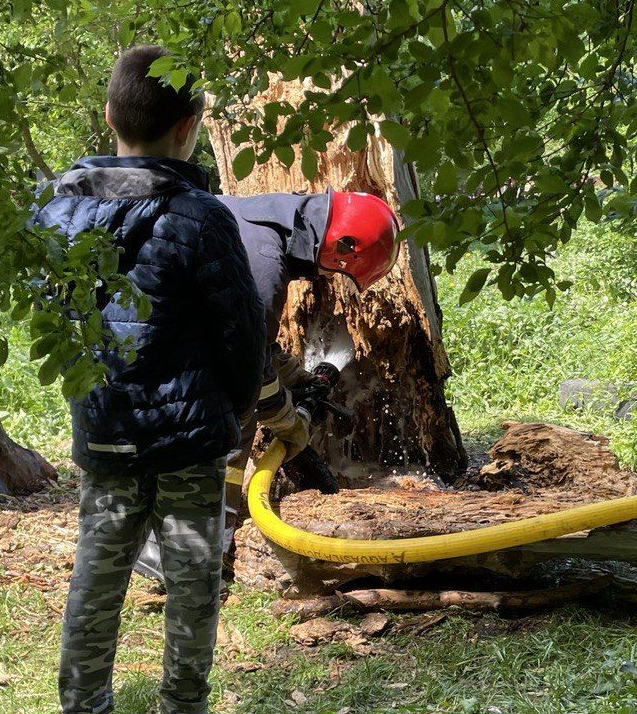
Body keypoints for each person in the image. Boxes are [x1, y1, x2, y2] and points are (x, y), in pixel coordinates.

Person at [30, 45, 265, 714]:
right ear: (191, 126)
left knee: (98, 576)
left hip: (104, 427)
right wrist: (237, 408)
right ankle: (183, 705)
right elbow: (240, 333)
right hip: (190, 443)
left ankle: (84, 705)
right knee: (193, 582)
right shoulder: (199, 216)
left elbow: (51, 314)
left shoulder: (54, 210)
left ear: (108, 116)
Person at [132, 189, 402, 581]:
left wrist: (294, 375)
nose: (327, 276)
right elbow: (246, 364)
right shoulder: (264, 261)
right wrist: (287, 420)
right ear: (342, 246)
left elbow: (241, 331)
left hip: (156, 339)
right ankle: (181, 560)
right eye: (336, 269)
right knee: (228, 429)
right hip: (171, 355)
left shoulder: (261, 219)